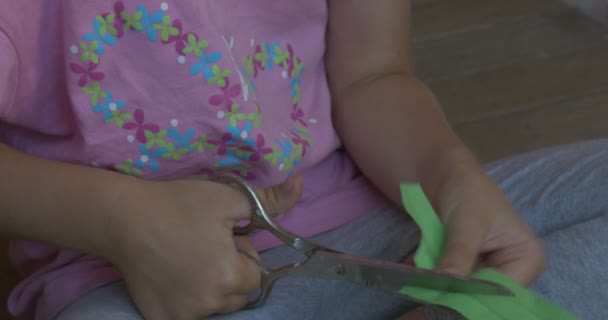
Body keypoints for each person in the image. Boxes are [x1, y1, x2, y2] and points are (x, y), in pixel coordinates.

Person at [0, 1, 604, 319]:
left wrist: (448, 173)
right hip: (134, 281)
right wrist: (119, 220)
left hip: (374, 228)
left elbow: (373, 73)